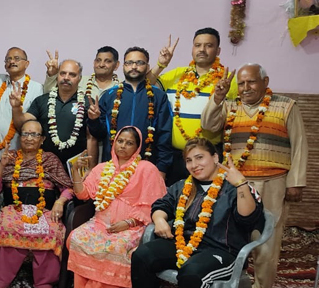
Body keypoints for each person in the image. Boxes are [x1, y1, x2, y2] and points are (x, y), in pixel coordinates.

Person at [131, 138, 264, 288]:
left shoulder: (233, 187)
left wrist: (241, 184)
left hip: (222, 250)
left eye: (200, 158)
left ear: (215, 157)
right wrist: (160, 220)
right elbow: (161, 205)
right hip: (184, 244)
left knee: (191, 272)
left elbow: (248, 218)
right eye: (189, 160)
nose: (194, 165)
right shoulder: (184, 186)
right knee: (142, 256)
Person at [201, 63, 307, 288]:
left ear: (265, 82)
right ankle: (227, 283)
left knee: (266, 238)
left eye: (251, 82)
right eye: (241, 83)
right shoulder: (230, 105)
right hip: (234, 183)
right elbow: (208, 125)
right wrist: (217, 97)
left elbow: (300, 144)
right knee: (228, 233)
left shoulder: (286, 106)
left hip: (272, 181)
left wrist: (296, 182)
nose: (245, 87)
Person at [67, 126, 166, 288]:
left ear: (137, 148)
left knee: (115, 248)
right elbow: (83, 194)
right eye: (120, 141)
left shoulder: (147, 169)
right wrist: (76, 170)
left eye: (129, 143)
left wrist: (128, 223)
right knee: (76, 238)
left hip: (132, 227)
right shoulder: (102, 168)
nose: (123, 146)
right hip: (99, 224)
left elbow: (155, 205)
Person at [0, 120, 73, 288]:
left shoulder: (50, 159)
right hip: (14, 209)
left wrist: (60, 201)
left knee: (52, 231)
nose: (29, 138)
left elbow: (68, 187)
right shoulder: (10, 157)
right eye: (26, 134)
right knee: (7, 228)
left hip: (44, 210)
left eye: (34, 134)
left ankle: (45, 284)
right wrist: (2, 165)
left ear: (42, 139)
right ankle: (1, 282)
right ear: (20, 137)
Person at [148, 29, 238, 185]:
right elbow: (145, 86)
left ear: (218, 51)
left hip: (209, 158)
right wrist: (161, 65)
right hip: (175, 157)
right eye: (198, 45)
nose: (202, 49)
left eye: (208, 45)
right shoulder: (177, 74)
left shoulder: (229, 81)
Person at [87, 47, 174, 179]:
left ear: (147, 66)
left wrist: (162, 169)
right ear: (123, 66)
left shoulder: (158, 96)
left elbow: (164, 135)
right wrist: (94, 120)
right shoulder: (110, 95)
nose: (134, 67)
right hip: (112, 169)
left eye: (139, 63)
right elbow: (100, 134)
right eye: (129, 63)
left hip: (147, 168)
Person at [0, 10, 44, 164]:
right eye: (8, 59)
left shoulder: (37, 88)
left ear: (27, 63)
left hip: (19, 156)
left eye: (17, 58)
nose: (12, 61)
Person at [13, 60, 91, 165]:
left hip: (76, 165)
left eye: (72, 74)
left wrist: (91, 166)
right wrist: (16, 107)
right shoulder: (42, 100)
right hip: (44, 165)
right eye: (62, 73)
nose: (66, 77)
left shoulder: (87, 103)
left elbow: (92, 138)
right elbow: (20, 125)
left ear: (79, 78)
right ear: (57, 76)